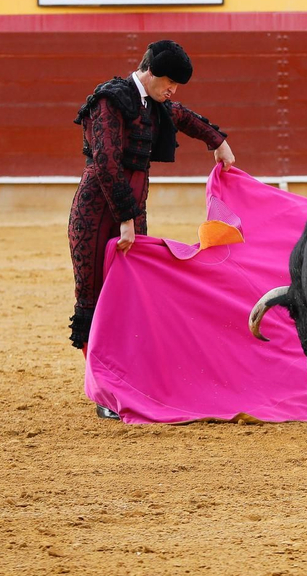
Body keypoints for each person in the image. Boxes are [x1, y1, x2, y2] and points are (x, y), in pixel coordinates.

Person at [67, 40, 233, 362]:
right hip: (97, 215)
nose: (172, 90)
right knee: (95, 296)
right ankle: (103, 386)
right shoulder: (110, 99)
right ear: (152, 72)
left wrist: (218, 142)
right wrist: (126, 219)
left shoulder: (152, 104)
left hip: (130, 213)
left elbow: (183, 117)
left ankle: (125, 374)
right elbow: (107, 164)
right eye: (170, 82)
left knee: (130, 295)